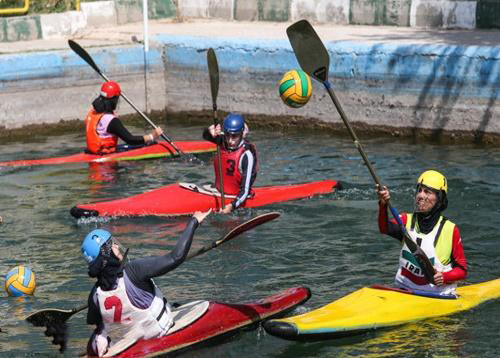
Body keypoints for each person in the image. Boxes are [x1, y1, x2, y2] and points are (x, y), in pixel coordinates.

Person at [81, 210, 211, 357]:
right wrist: (193, 222)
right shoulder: (134, 271)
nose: (117, 247)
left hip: (131, 343)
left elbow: (93, 320)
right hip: (159, 333)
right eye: (113, 245)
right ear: (107, 254)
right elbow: (176, 257)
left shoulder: (94, 295)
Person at [376, 170, 467, 296]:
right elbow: (384, 228)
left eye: (427, 192)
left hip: (437, 296)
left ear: (439, 199)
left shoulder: (450, 229)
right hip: (403, 290)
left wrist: (445, 277)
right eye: (419, 190)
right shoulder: (405, 220)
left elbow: (462, 270)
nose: (421, 195)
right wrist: (383, 204)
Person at [85, 81, 164, 155]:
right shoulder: (111, 121)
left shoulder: (92, 113)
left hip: (92, 151)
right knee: (151, 143)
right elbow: (130, 140)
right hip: (105, 158)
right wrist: (152, 136)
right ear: (113, 100)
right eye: (117, 99)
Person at [202, 113, 257, 214]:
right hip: (219, 191)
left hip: (236, 197)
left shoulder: (246, 155)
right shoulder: (222, 141)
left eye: (234, 136)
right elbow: (205, 136)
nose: (230, 141)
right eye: (227, 135)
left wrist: (232, 206)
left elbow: (245, 190)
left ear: (241, 134)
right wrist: (210, 131)